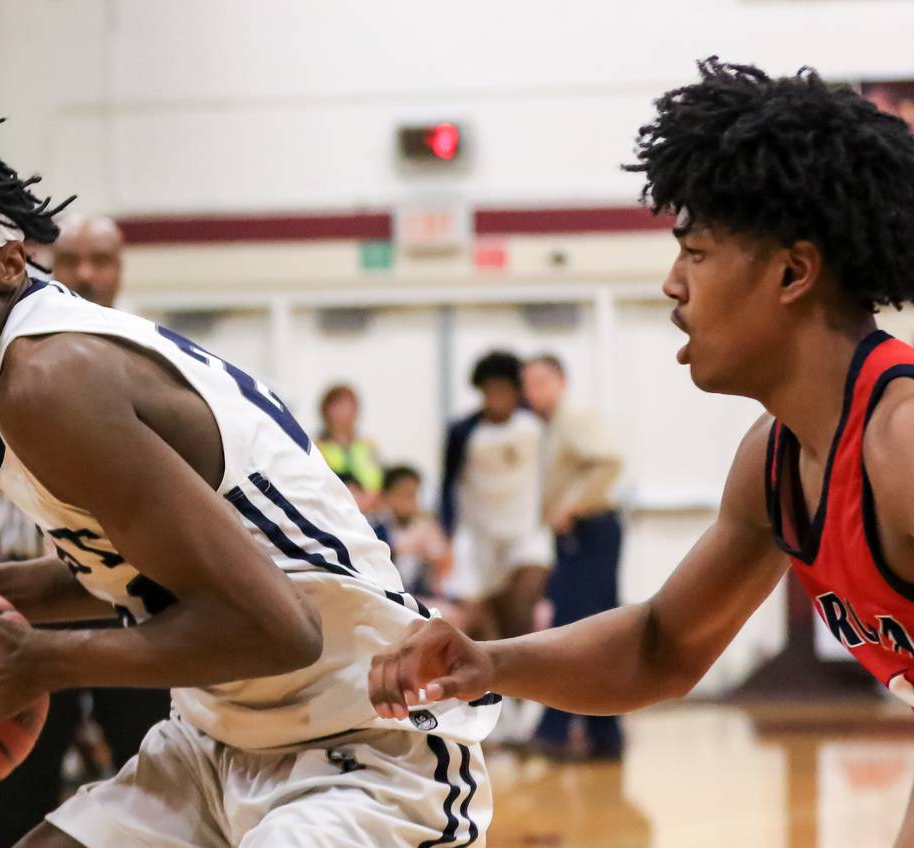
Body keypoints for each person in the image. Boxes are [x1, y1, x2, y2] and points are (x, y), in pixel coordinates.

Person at [0, 113, 498, 848]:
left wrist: (31, 661)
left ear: (9, 264)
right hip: (213, 745)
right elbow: (156, 573)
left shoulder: (47, 379)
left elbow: (281, 629)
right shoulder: (18, 380)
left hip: (362, 744)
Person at [368, 60, 914, 844]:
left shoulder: (902, 444)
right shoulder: (773, 462)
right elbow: (661, 646)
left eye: (693, 253)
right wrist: (490, 663)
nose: (670, 284)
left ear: (794, 272)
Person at [0, 214, 174, 848]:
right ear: (47, 266)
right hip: (29, 599)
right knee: (13, 775)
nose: (89, 274)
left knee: (153, 765)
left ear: (122, 269)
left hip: (134, 596)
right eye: (74, 260)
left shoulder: (154, 355)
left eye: (103, 260)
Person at [521, 354, 626, 759]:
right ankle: (603, 733)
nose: (535, 391)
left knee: (575, 628)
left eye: (542, 380)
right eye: (529, 383)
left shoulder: (574, 417)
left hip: (591, 532)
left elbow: (609, 462)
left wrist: (572, 505)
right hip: (578, 536)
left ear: (562, 382)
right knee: (590, 630)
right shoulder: (551, 426)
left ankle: (556, 728)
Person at [440, 351, 548, 643]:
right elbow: (448, 485)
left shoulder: (535, 427)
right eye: (490, 391)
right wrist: (447, 534)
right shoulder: (463, 433)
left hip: (527, 533)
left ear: (516, 392)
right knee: (489, 625)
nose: (497, 398)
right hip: (482, 539)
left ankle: (531, 686)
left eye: (504, 391)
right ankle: (505, 687)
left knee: (520, 610)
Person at [372, 465, 451, 607]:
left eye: (414, 495)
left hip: (418, 593)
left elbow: (441, 563)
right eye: (404, 494)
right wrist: (400, 548)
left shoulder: (425, 527)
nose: (410, 501)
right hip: (386, 595)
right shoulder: (374, 528)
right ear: (386, 496)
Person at [316, 383, 383, 494]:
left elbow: (380, 479)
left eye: (350, 406)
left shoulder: (369, 445)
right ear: (326, 410)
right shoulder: (317, 447)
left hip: (371, 507)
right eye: (339, 406)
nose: (345, 412)